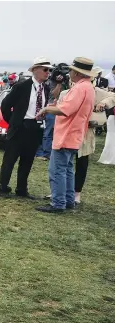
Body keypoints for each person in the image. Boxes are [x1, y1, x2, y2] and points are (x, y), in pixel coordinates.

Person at [34, 57, 96, 213]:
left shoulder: (80, 88)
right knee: (67, 169)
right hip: (75, 135)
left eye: (71, 70)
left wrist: (46, 109)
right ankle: (68, 200)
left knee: (57, 170)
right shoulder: (88, 87)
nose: (69, 72)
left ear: (77, 72)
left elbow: (66, 109)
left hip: (67, 135)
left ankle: (58, 203)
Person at [0, 57, 53, 199]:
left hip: (36, 128)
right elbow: (5, 105)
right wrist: (14, 121)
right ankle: (3, 188)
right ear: (35, 70)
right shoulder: (21, 86)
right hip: (20, 127)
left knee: (27, 160)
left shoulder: (45, 88)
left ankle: (21, 189)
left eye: (49, 70)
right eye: (45, 69)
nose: (48, 73)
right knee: (10, 159)